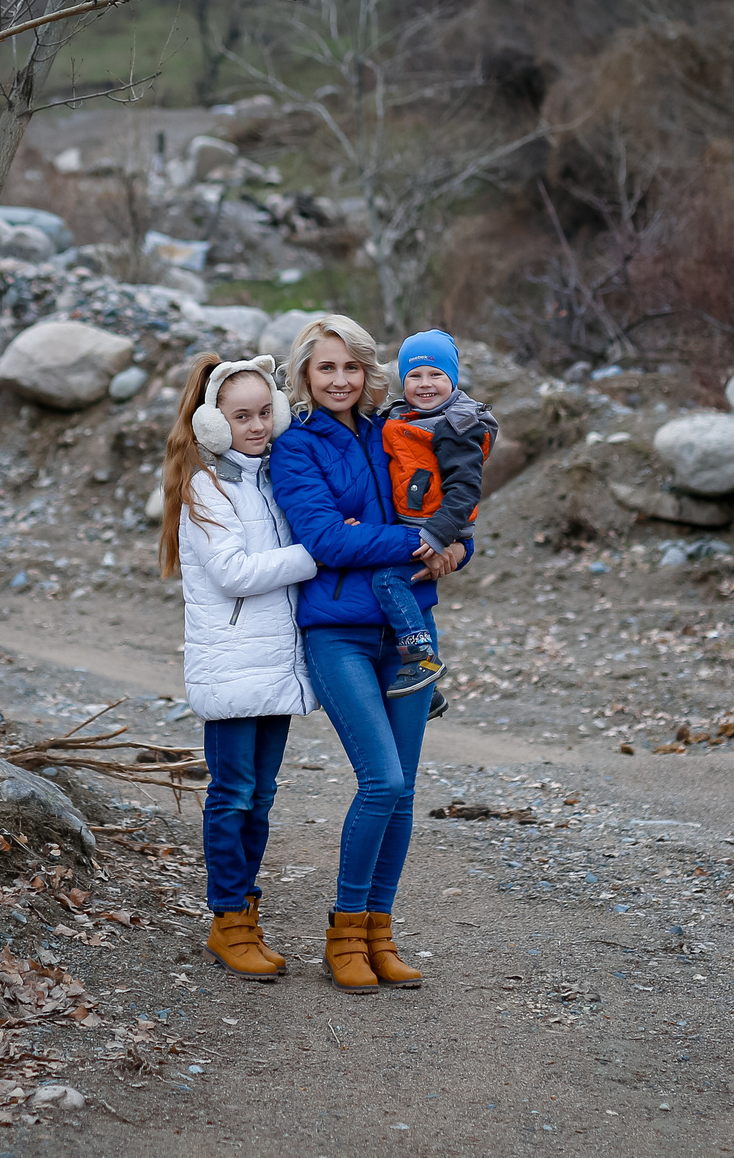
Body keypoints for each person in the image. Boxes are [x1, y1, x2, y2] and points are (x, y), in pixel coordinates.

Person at [268, 313, 468, 995]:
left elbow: (451, 511)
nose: (340, 379)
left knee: (405, 792)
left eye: (351, 366)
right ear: (304, 374)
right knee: (381, 779)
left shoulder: (398, 428)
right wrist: (413, 541)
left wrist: (458, 545)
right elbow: (325, 540)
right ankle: (343, 930)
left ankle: (381, 932)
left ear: (367, 372)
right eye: (326, 367)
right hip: (339, 634)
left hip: (409, 630)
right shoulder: (296, 447)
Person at [162, 351, 316, 981]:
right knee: (232, 797)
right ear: (215, 425)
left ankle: (246, 911)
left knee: (262, 798)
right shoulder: (208, 484)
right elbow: (232, 574)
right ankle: (227, 919)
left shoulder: (272, 476)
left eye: (264, 413)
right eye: (242, 416)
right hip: (231, 669)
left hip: (274, 666)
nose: (257, 426)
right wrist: (317, 555)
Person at [369, 328, 496, 698]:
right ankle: (427, 693)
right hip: (421, 524)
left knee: (388, 582)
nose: (425, 384)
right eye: (414, 376)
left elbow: (465, 490)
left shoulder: (457, 426)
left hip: (435, 528)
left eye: (436, 375)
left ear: (453, 379)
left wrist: (441, 535)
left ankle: (421, 658)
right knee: (396, 595)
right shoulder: (406, 417)